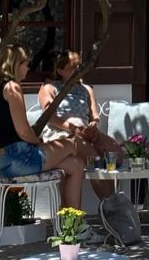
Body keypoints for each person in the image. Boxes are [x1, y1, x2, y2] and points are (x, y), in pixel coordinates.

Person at [0, 43, 89, 209]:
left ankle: (71, 222)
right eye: (26, 64)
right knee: (73, 143)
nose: (28, 68)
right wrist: (39, 142)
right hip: (19, 158)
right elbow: (23, 131)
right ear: (15, 64)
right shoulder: (12, 87)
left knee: (75, 164)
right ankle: (104, 164)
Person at [38, 49, 123, 200]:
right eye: (73, 67)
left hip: (85, 132)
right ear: (60, 70)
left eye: (79, 66)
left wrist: (94, 127)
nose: (78, 70)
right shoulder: (49, 88)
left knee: (115, 153)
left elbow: (95, 115)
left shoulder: (86, 89)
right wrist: (75, 129)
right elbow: (49, 117)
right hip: (62, 133)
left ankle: (111, 203)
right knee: (94, 158)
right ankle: (111, 205)